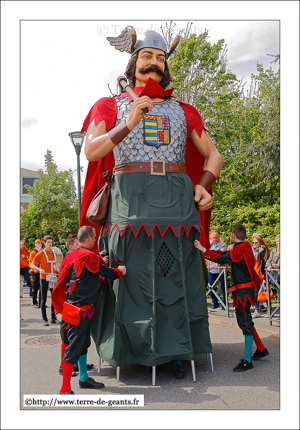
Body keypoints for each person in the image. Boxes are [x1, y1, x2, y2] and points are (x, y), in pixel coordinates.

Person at [80, 26, 223, 378]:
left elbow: (213, 155)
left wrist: (204, 184)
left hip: (177, 203)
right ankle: (130, 349)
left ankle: (177, 349)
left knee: (177, 274)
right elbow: (92, 149)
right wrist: (128, 122)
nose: (154, 63)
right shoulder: (109, 105)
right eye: (147, 56)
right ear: (133, 63)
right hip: (130, 200)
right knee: (130, 275)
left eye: (160, 58)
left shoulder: (184, 111)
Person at [52, 226, 126, 394]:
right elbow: (107, 273)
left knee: (83, 344)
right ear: (89, 239)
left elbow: (86, 274)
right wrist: (120, 271)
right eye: (93, 237)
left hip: (75, 308)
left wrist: (101, 261)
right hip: (79, 311)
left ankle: (83, 379)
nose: (95, 239)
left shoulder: (72, 255)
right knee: (75, 346)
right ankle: (64, 389)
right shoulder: (88, 255)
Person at [194, 224, 269, 372]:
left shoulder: (240, 249)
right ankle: (261, 349)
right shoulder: (243, 247)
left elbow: (221, 257)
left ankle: (247, 361)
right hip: (244, 290)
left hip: (243, 292)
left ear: (233, 236)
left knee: (245, 323)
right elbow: (225, 254)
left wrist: (202, 249)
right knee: (247, 320)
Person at [58, 234, 94, 377]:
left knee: (78, 340)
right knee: (68, 337)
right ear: (71, 247)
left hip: (72, 304)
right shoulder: (69, 258)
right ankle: (63, 366)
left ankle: (80, 369)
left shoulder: (74, 258)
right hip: (71, 305)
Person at [30, 235, 59, 326]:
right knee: (43, 299)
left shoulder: (54, 253)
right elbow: (32, 264)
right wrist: (39, 269)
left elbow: (54, 264)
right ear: (45, 243)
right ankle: (44, 319)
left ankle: (53, 317)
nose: (50, 244)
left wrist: (56, 268)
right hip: (43, 278)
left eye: (51, 242)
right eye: (48, 242)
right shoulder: (40, 253)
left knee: (54, 298)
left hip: (52, 277)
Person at [206, 230, 227, 309]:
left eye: (216, 238)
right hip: (211, 270)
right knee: (210, 286)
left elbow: (221, 257)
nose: (214, 239)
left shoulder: (222, 244)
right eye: (213, 238)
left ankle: (224, 304)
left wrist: (215, 265)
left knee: (223, 286)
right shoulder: (209, 243)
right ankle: (215, 302)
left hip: (220, 269)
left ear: (219, 237)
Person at [251, 234, 270, 318]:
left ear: (260, 243)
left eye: (256, 242)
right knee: (255, 294)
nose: (254, 244)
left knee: (264, 294)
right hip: (254, 276)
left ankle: (269, 311)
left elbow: (265, 264)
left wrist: (265, 278)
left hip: (261, 276)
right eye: (253, 242)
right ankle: (256, 311)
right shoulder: (251, 251)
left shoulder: (263, 251)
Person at [266, 234, 280, 312]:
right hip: (277, 278)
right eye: (277, 241)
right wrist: (269, 266)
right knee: (279, 297)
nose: (278, 243)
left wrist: (279, 266)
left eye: (280, 242)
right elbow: (268, 261)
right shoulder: (274, 251)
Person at [29, 239, 43, 308]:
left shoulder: (43, 252)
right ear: (35, 244)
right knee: (35, 287)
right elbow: (30, 262)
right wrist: (34, 269)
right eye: (38, 243)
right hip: (36, 271)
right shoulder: (33, 252)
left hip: (42, 271)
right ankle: (34, 302)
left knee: (42, 287)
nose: (39, 244)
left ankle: (41, 302)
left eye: (40, 243)